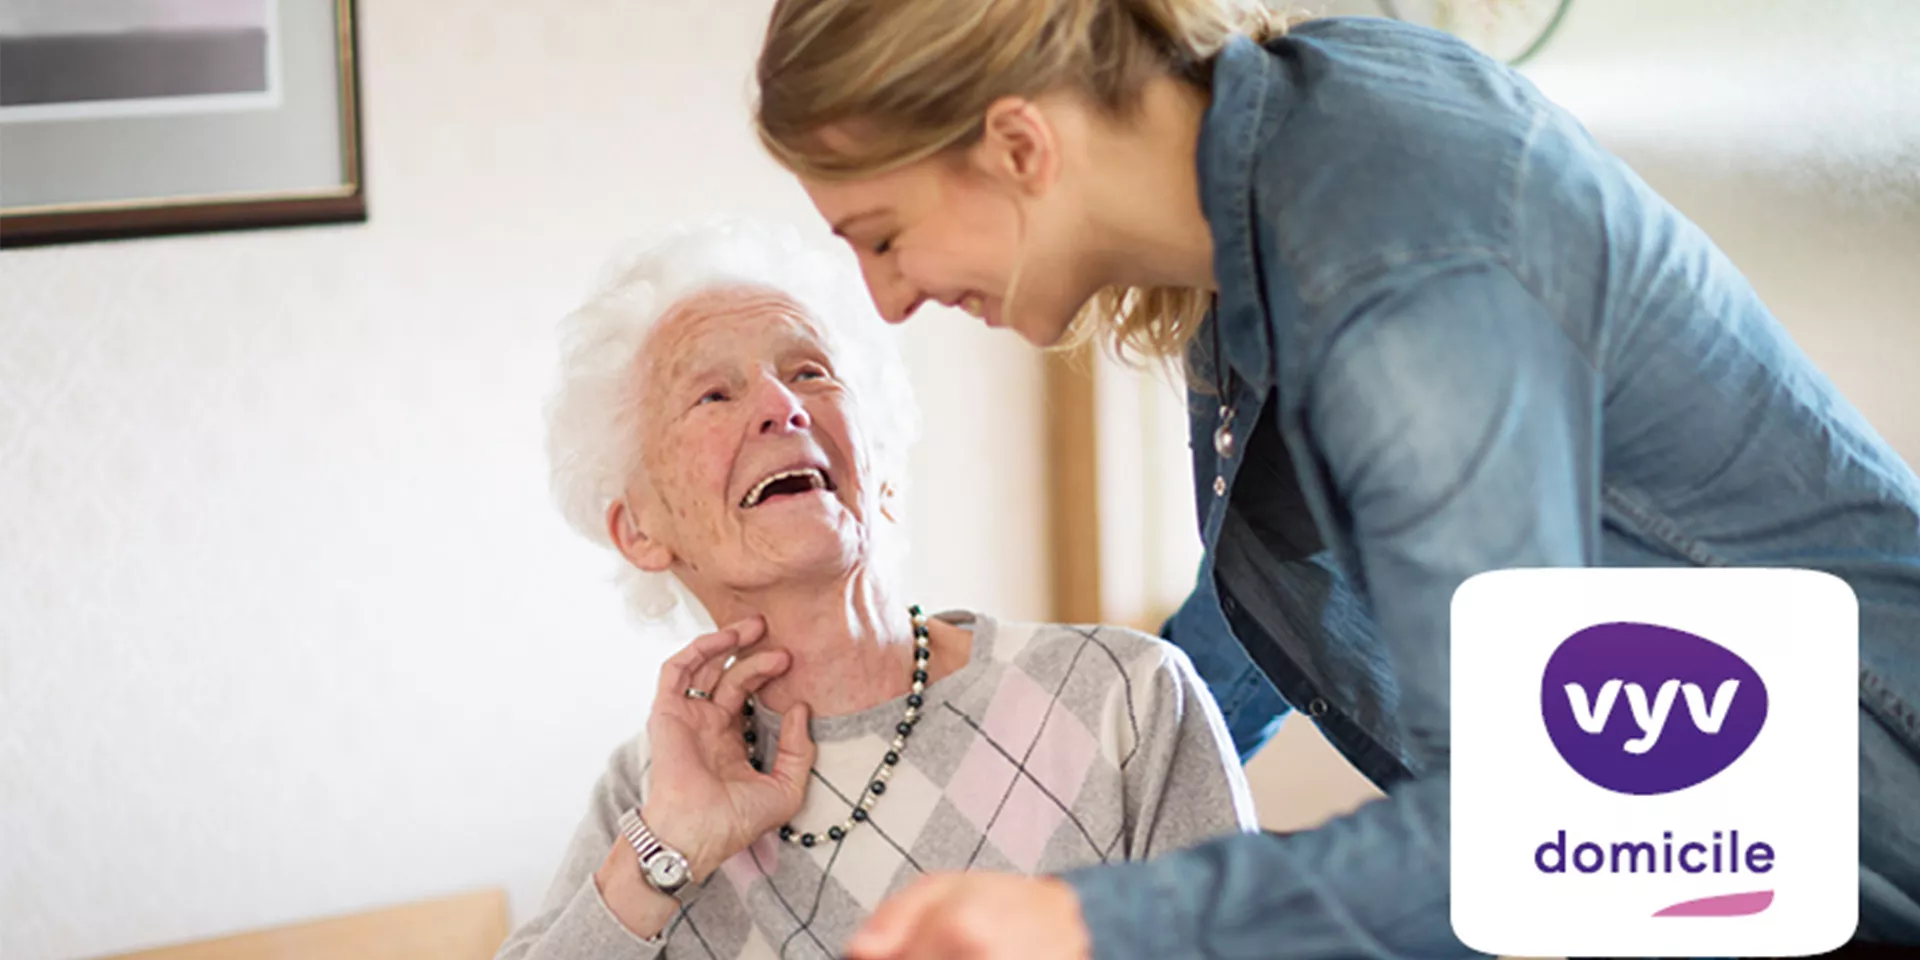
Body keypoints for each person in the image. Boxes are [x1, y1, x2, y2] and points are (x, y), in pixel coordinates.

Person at [749, 1, 1920, 957]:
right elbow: (1278, 576)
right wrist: (1079, 772)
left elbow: (1539, 819)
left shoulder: (1392, 269)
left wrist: (1083, 924)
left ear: (1018, 146)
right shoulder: (1278, 171)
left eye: (884, 235)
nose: (887, 301)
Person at [494, 218, 1258, 960]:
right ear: (640, 531)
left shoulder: (1124, 696)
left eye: (810, 372)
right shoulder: (649, 791)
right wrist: (666, 852)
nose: (781, 406)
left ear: (883, 471)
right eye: (713, 396)